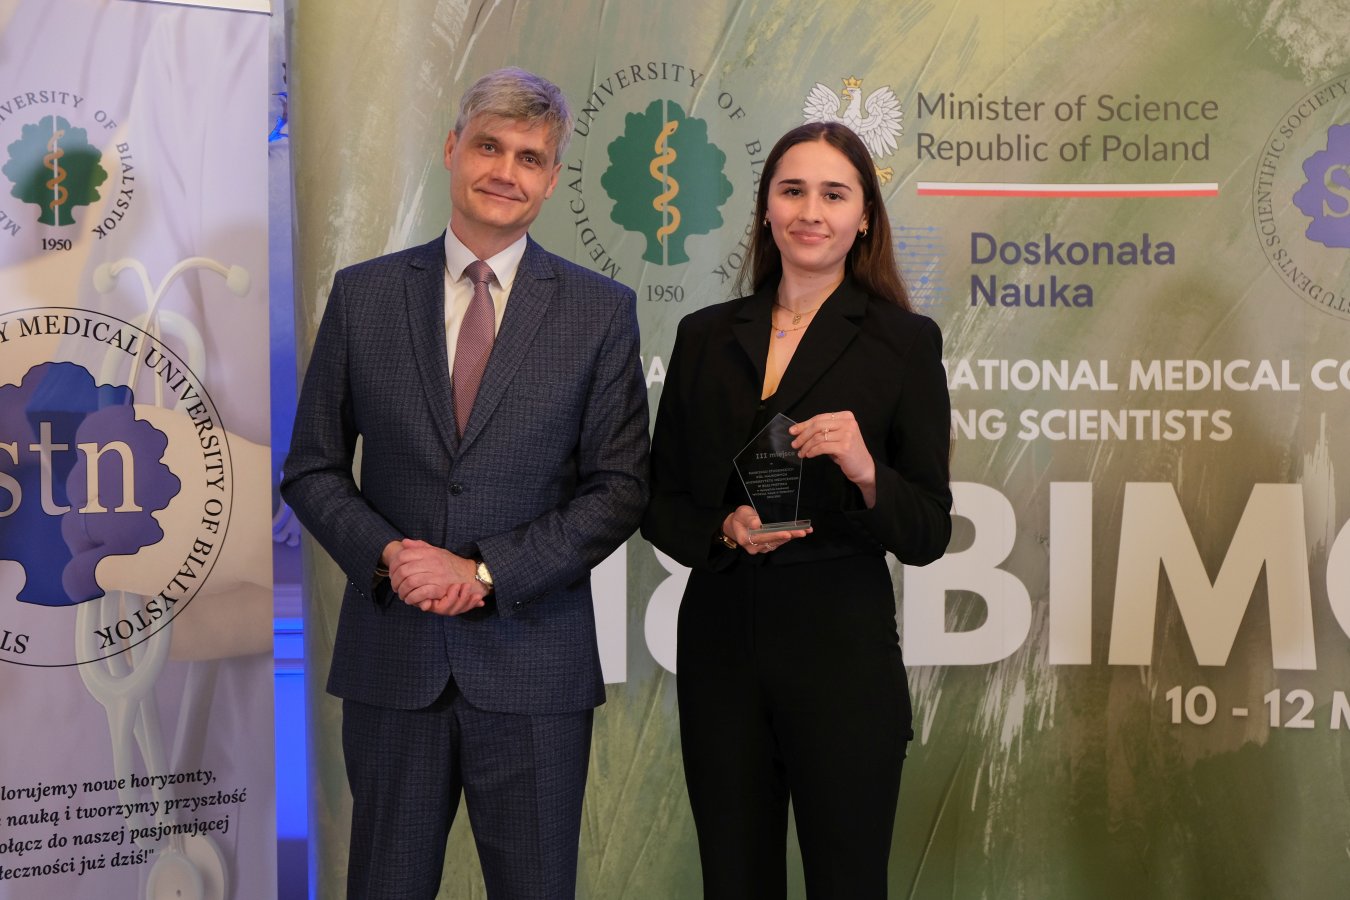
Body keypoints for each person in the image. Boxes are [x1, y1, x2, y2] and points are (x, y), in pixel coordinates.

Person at [281, 67, 650, 900]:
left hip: (535, 669)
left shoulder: (599, 311)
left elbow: (620, 487)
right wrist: (392, 557)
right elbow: (311, 466)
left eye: (530, 157)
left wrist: (483, 572)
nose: (505, 171)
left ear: (551, 180)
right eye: (489, 146)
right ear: (452, 149)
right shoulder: (365, 296)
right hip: (394, 664)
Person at [641, 121, 953, 899]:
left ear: (864, 217)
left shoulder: (904, 343)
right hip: (720, 653)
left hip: (841, 657)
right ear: (767, 208)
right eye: (792, 191)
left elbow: (928, 530)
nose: (811, 211)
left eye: (833, 194)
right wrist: (721, 527)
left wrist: (865, 469)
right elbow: (657, 498)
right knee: (734, 882)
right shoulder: (704, 336)